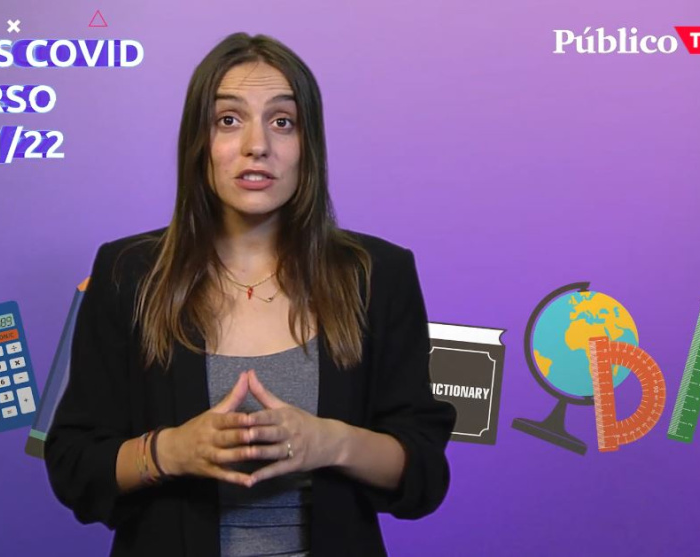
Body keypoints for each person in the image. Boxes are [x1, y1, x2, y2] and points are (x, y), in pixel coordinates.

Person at [44, 32, 457, 556]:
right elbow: (74, 465)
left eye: (282, 121)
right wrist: (173, 450)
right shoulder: (128, 273)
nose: (256, 144)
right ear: (199, 143)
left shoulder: (378, 275)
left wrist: (330, 442)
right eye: (228, 120)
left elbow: (424, 473)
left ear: (308, 146)